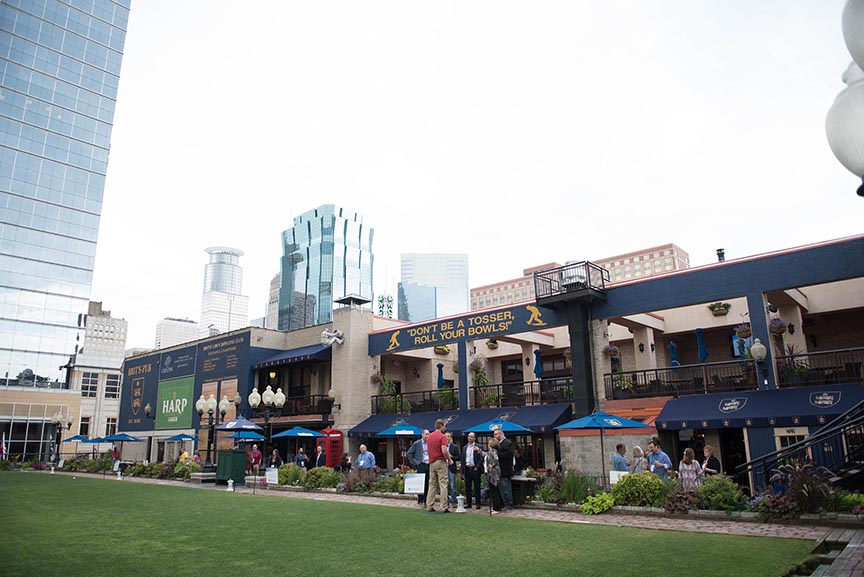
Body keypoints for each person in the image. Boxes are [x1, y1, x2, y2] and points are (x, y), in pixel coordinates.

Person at [425, 419, 452, 513]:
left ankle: (429, 505)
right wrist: (450, 459)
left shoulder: (429, 437)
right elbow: (444, 450)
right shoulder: (442, 436)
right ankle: (443, 506)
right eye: (444, 426)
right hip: (440, 461)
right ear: (441, 425)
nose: (445, 427)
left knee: (432, 484)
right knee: (443, 484)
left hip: (431, 462)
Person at [407, 429, 430, 506]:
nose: (427, 436)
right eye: (426, 434)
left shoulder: (430, 443)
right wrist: (414, 463)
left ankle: (426, 499)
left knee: (428, 483)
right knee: (421, 483)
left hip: (429, 464)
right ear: (422, 435)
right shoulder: (417, 443)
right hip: (421, 464)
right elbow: (409, 453)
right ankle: (420, 499)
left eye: (428, 434)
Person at [461, 432, 483, 510]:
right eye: (469, 436)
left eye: (471, 437)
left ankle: (478, 503)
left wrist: (477, 467)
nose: (470, 438)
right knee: (468, 487)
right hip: (467, 469)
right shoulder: (464, 448)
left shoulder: (478, 447)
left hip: (475, 469)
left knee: (477, 487)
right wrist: (462, 472)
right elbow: (463, 460)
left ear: (474, 438)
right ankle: (469, 503)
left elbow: (481, 458)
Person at [493, 428, 514, 509]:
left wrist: (497, 455)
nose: (494, 436)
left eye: (495, 434)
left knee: (506, 488)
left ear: (500, 434)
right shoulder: (497, 444)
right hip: (498, 471)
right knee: (501, 489)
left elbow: (508, 454)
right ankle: (503, 503)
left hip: (505, 470)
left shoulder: (507, 443)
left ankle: (509, 504)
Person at [482, 438, 503, 514]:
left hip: (494, 474)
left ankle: (497, 508)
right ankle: (495, 506)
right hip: (491, 473)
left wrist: (492, 465)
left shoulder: (493, 452)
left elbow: (496, 459)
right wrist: (479, 451)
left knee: (495, 491)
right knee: (493, 490)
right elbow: (485, 455)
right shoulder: (490, 452)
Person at [445, 432, 460, 505]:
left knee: (452, 485)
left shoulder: (454, 447)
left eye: (448, 436)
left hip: (451, 468)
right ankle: (446, 500)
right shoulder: (442, 446)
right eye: (445, 436)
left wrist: (452, 457)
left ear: (450, 438)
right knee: (444, 485)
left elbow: (458, 457)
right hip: (443, 468)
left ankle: (454, 500)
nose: (447, 438)